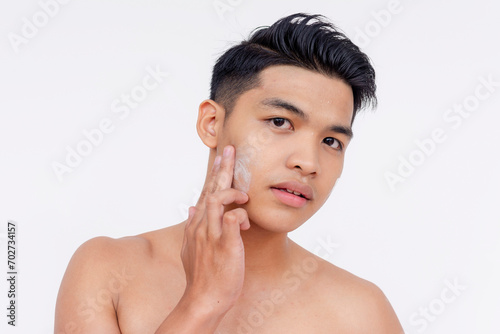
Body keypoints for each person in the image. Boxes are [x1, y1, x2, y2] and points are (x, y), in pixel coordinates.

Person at [55, 13, 404, 334]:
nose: (309, 162)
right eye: (280, 122)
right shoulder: (108, 272)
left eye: (331, 141)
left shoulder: (364, 314)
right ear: (212, 124)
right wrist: (201, 304)